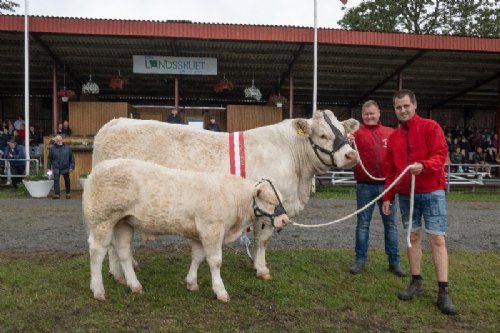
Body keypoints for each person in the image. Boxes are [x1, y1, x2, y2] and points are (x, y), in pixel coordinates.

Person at [381, 89, 457, 315]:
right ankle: (416, 282)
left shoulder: (430, 127)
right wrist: (387, 196)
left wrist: (424, 165)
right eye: (398, 107)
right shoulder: (393, 138)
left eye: (406, 106)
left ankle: (443, 291)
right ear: (394, 110)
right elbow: (391, 171)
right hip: (406, 194)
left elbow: (440, 154)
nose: (402, 110)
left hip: (432, 191)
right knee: (412, 237)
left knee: (437, 239)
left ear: (414, 105)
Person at [349, 100, 405, 277]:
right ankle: (360, 260)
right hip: (364, 186)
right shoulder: (355, 135)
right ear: (362, 116)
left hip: (387, 186)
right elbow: (346, 155)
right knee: (363, 224)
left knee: (390, 225)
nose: (369, 116)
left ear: (379, 113)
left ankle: (394, 262)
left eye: (372, 113)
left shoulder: (391, 132)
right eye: (366, 114)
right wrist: (347, 141)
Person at [46, 135, 75, 199]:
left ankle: (68, 193)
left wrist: (71, 167)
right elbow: (49, 159)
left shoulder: (68, 148)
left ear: (62, 140)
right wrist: (48, 167)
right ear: (55, 141)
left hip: (66, 167)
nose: (59, 141)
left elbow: (72, 159)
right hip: (56, 167)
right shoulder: (52, 148)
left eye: (60, 140)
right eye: (57, 140)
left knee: (67, 180)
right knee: (56, 180)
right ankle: (57, 194)